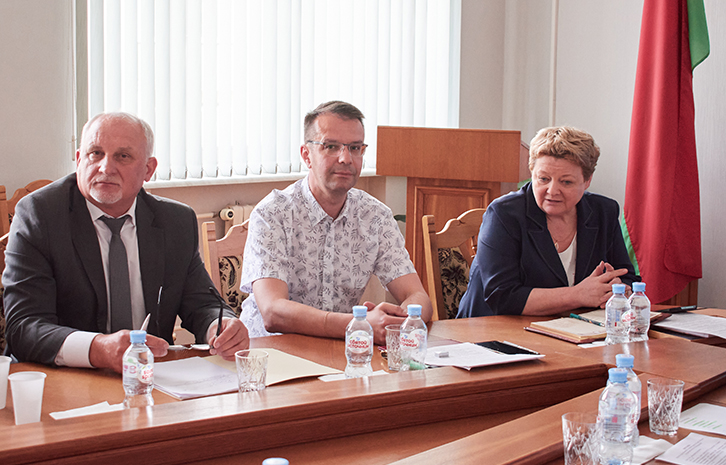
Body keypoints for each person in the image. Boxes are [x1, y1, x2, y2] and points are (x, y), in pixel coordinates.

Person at [2, 112, 249, 372]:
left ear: (148, 169)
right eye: (95, 153)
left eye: (122, 156)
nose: (106, 168)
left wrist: (220, 327)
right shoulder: (40, 215)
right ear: (79, 160)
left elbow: (202, 303)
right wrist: (98, 349)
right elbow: (23, 327)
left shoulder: (175, 221)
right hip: (63, 376)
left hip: (150, 376)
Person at [239, 100, 432, 344]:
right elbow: (273, 311)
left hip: (340, 351)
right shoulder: (272, 214)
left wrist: (397, 321)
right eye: (331, 146)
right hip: (271, 352)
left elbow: (418, 297)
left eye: (355, 148)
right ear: (307, 155)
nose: (345, 158)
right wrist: (359, 324)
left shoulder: (375, 216)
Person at [457, 126, 639, 318]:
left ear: (587, 181)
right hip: (493, 328)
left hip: (570, 327)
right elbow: (502, 297)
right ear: (532, 173)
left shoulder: (603, 211)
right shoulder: (504, 214)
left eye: (566, 182)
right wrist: (578, 295)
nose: (552, 191)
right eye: (543, 179)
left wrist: (617, 288)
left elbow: (626, 276)